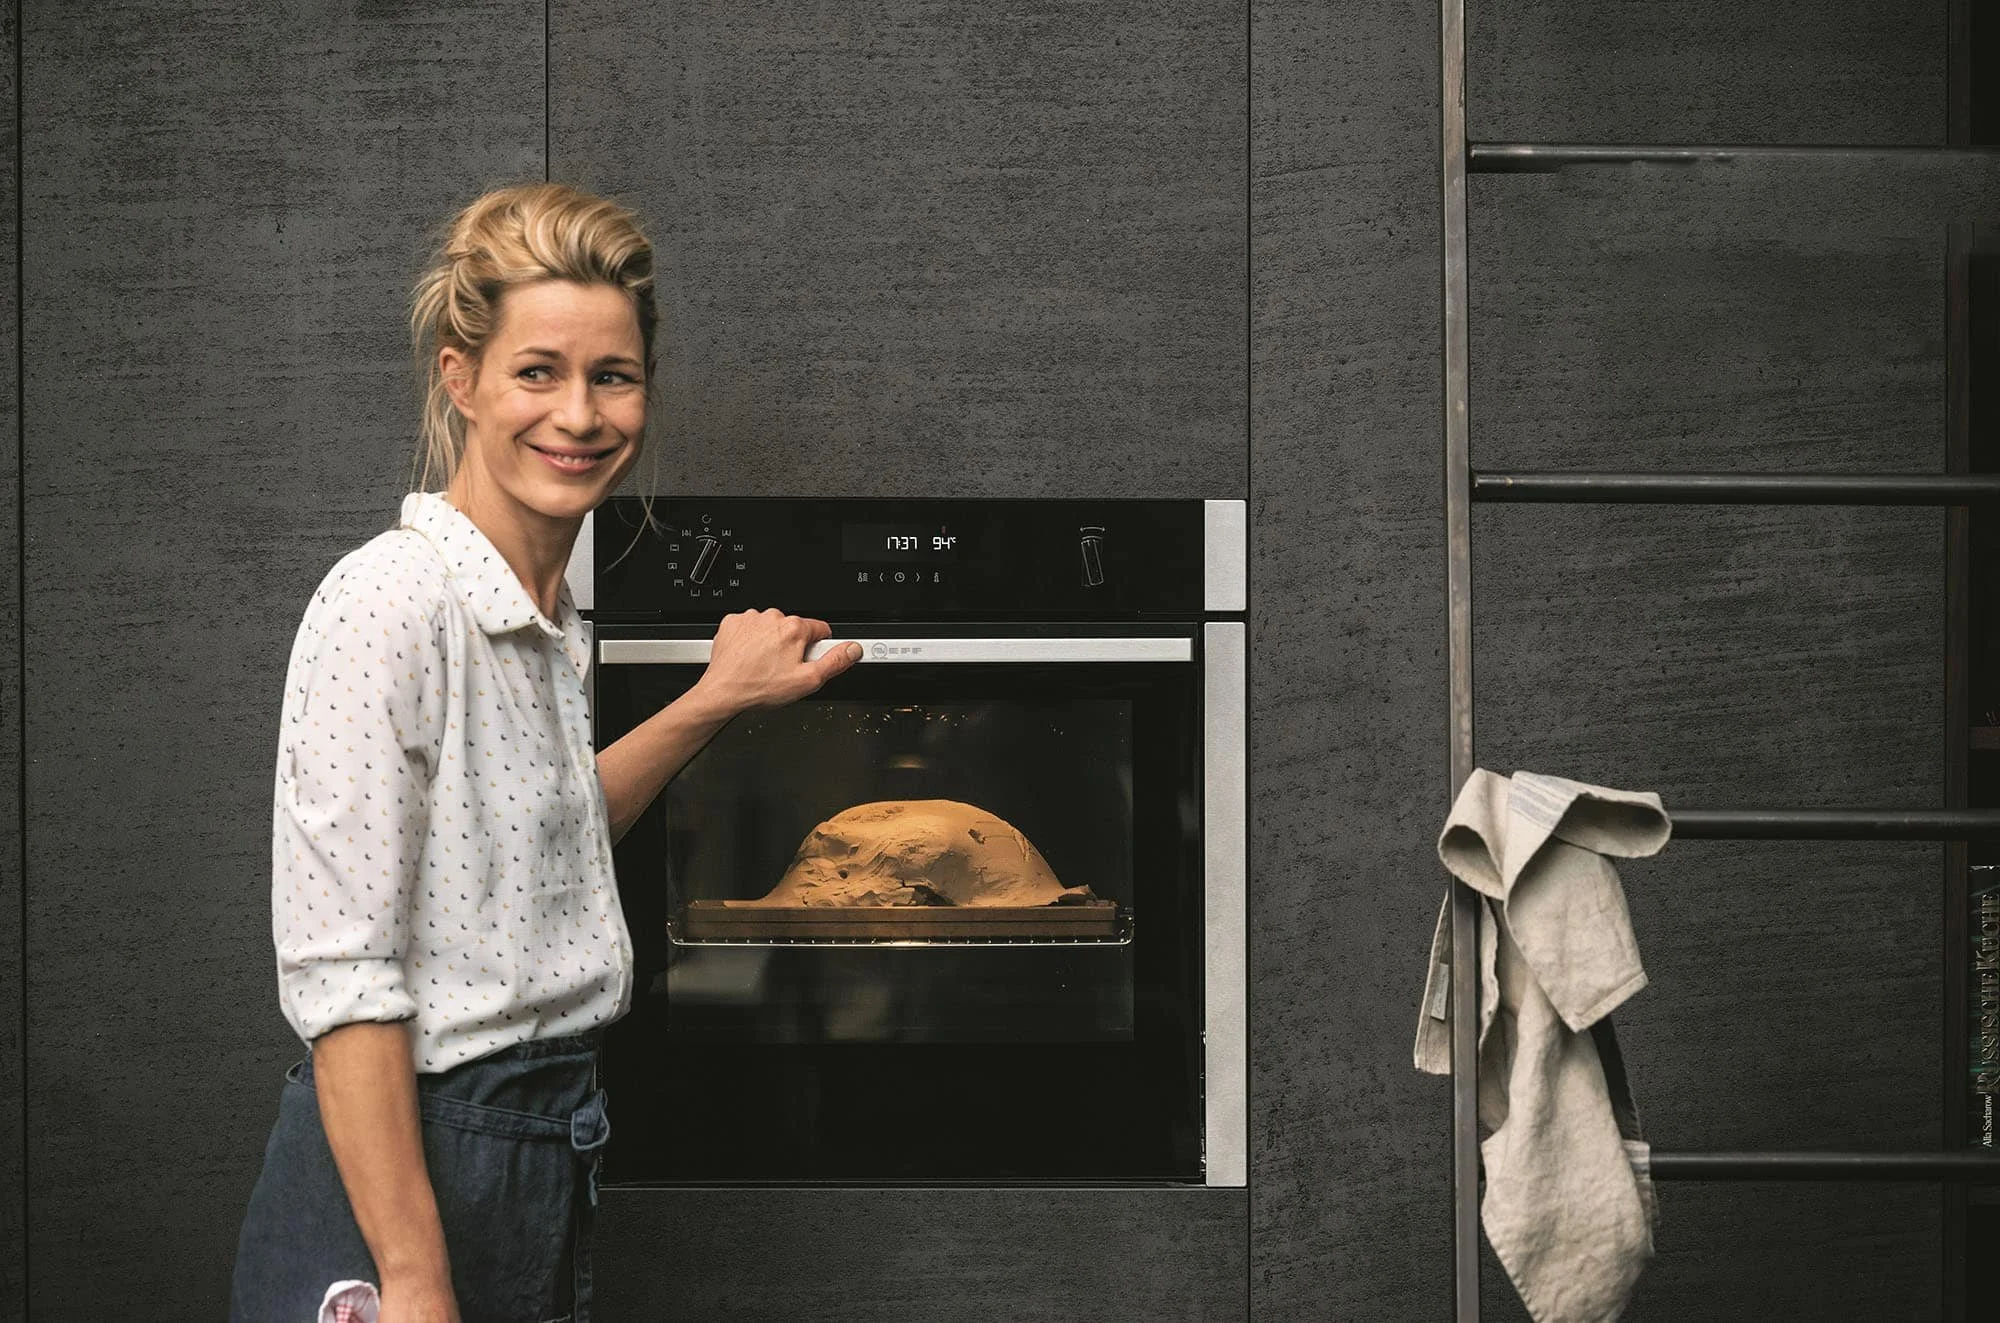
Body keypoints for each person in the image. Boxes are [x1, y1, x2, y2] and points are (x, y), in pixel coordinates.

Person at [229, 182, 863, 1323]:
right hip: (414, 1170)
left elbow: (538, 842)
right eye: (537, 371)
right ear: (459, 377)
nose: (578, 416)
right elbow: (345, 985)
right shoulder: (391, 602)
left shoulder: (540, 618)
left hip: (534, 1147)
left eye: (611, 377)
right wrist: (416, 1280)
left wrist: (710, 701)